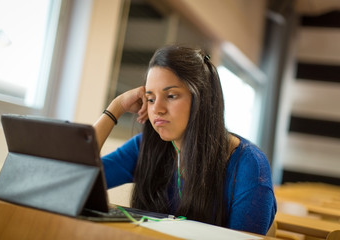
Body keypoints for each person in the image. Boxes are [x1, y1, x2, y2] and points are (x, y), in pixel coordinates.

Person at [93, 45, 276, 235]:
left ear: (201, 99)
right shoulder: (146, 147)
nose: (157, 109)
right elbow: (74, 182)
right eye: (151, 98)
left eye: (171, 96)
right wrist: (115, 108)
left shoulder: (249, 166)